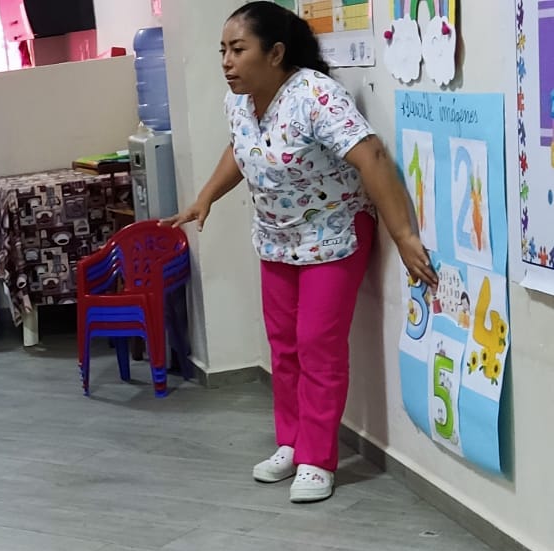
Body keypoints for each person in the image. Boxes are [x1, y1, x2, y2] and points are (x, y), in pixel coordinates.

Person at [166, 1, 436, 503]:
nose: (226, 62)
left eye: (238, 49)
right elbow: (241, 148)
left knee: (317, 345)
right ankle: (290, 443)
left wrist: (403, 235)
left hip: (333, 233)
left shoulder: (315, 96)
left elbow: (372, 156)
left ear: (275, 53)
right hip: (277, 236)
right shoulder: (239, 101)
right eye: (222, 50)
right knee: (284, 345)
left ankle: (317, 458)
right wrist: (206, 197)